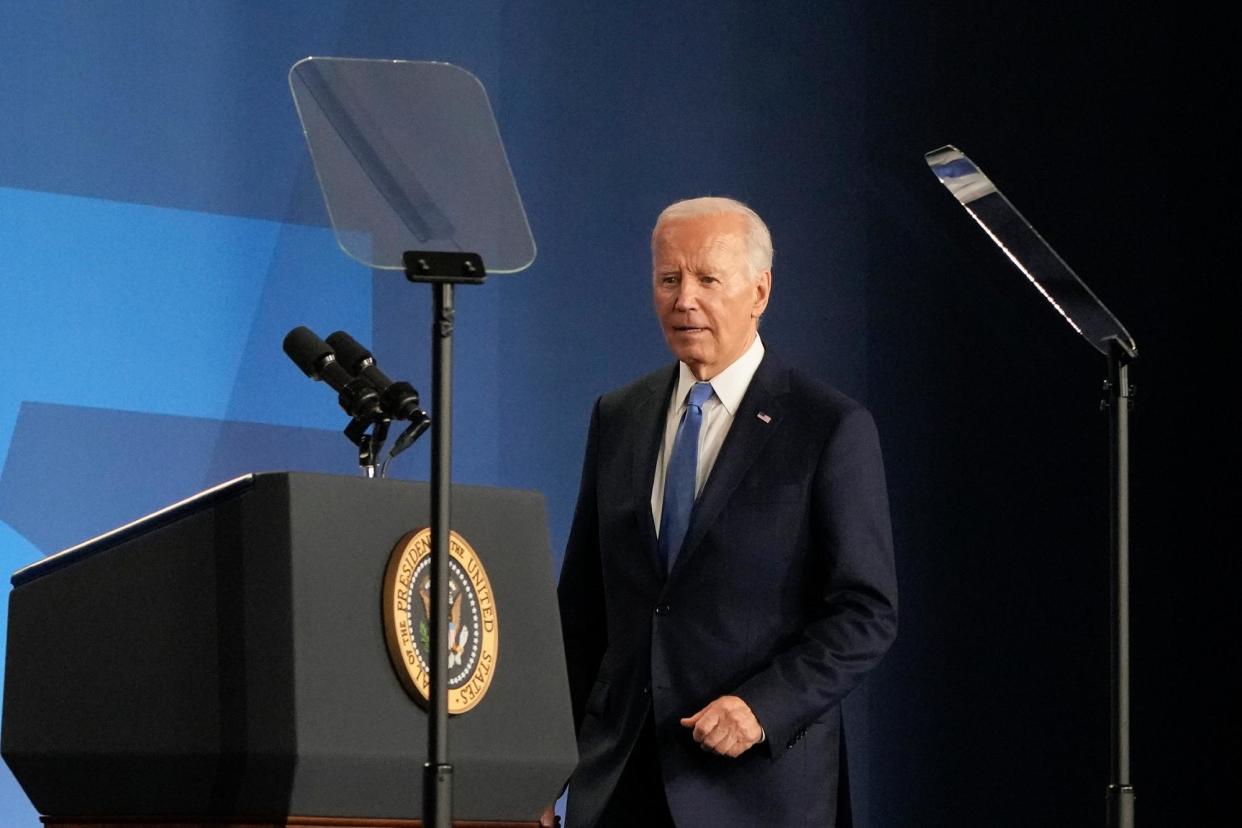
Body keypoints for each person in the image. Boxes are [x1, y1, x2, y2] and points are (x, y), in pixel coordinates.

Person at [552, 197, 897, 827]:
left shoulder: (828, 427)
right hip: (620, 784)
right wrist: (543, 772)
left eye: (708, 278)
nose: (685, 299)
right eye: (668, 278)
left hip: (756, 790)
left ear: (759, 291)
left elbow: (866, 612)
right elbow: (582, 607)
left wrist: (762, 706)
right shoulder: (618, 416)